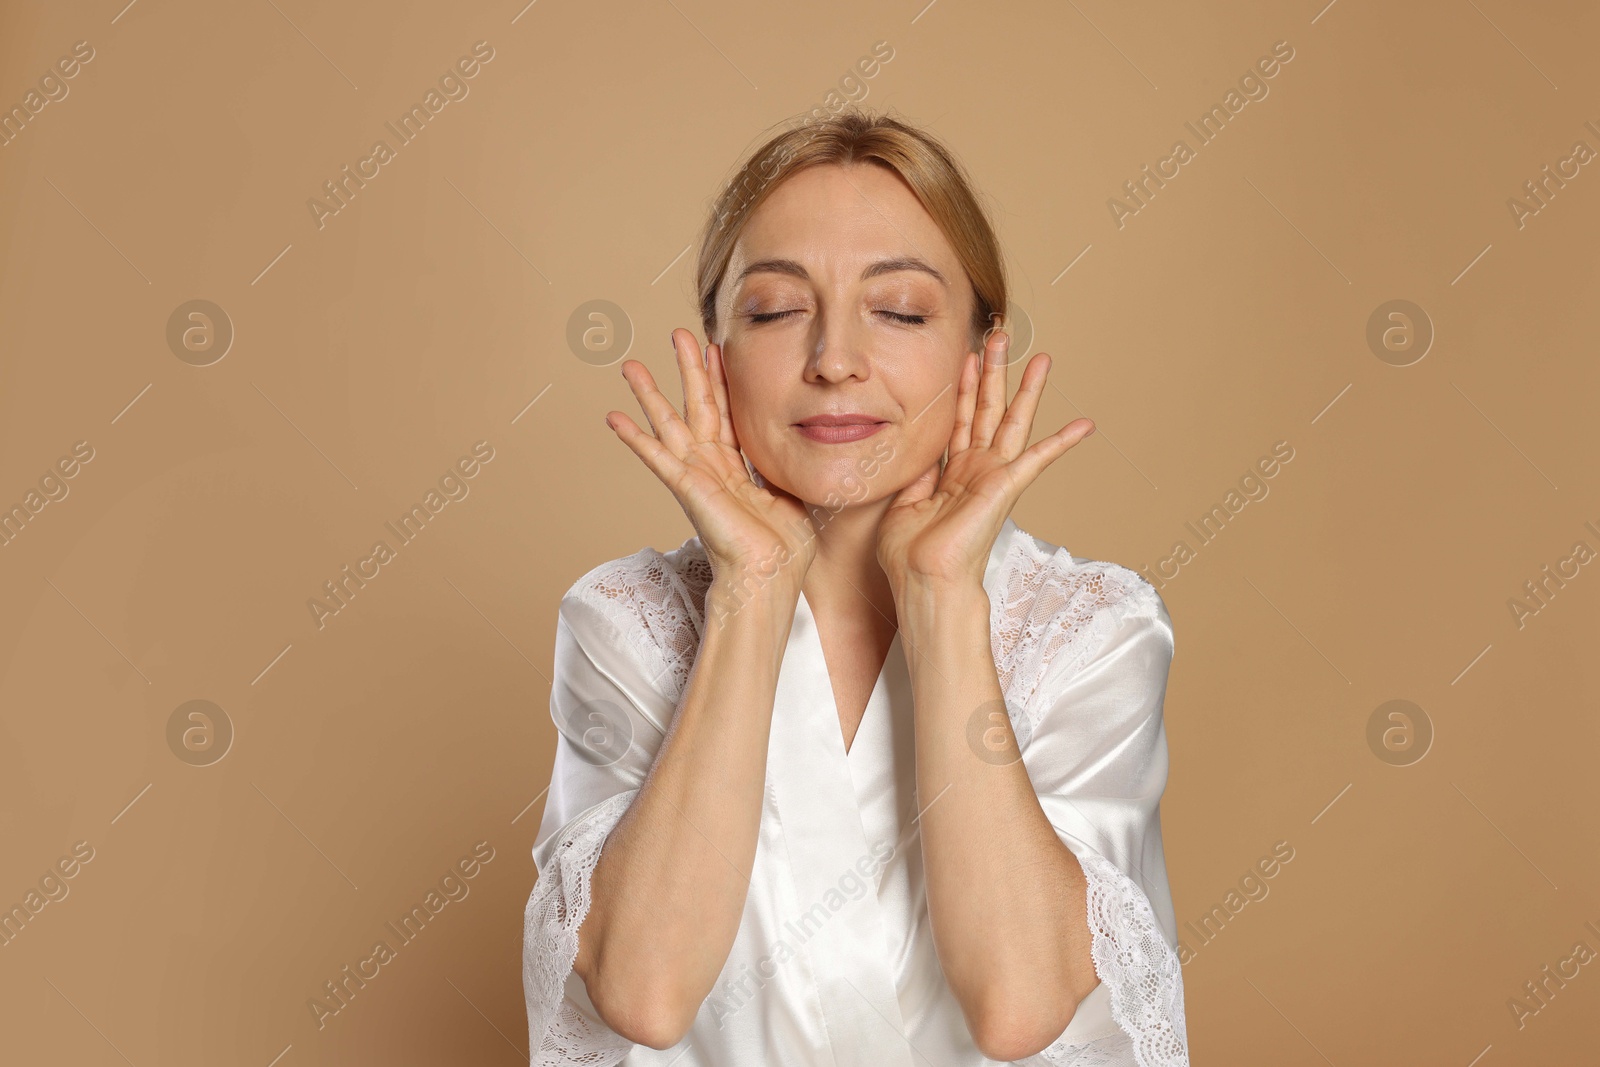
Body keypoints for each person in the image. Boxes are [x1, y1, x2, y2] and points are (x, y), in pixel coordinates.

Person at [523, 107, 1188, 1067]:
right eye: (775, 310)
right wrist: (753, 587)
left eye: (901, 310)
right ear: (716, 355)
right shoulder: (622, 624)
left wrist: (942, 592)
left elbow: (1020, 1005)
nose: (835, 360)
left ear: (978, 353)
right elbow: (645, 992)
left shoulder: (1092, 631)